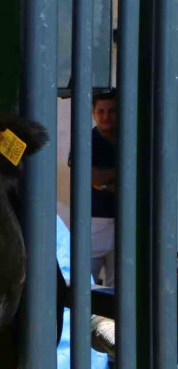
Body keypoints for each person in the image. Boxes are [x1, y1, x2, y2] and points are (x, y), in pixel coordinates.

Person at [69, 89, 118, 286]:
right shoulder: (85, 141)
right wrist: (122, 172)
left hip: (125, 223)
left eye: (111, 111)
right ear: (93, 113)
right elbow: (90, 177)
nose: (106, 116)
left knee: (120, 291)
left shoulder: (131, 140)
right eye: (101, 111)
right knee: (85, 287)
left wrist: (103, 181)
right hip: (92, 222)